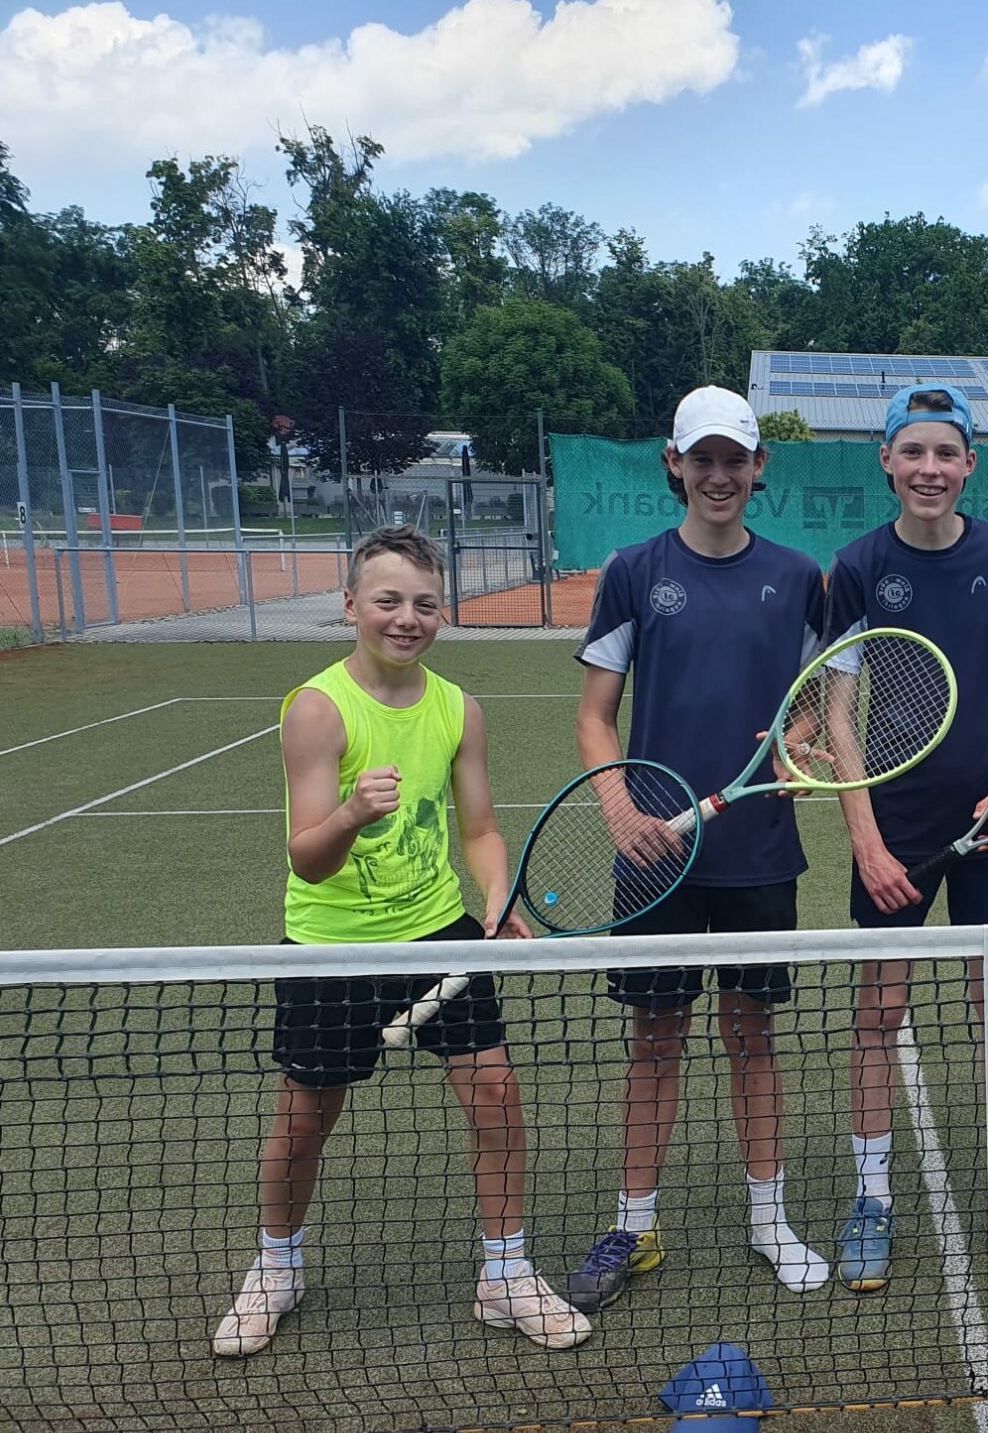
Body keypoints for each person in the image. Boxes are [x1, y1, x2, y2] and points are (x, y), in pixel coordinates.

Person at [214, 527, 590, 1357]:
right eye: (387, 601)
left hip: (438, 931)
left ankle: (505, 1275)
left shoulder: (459, 708)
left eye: (423, 603)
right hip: (333, 946)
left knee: (496, 1094)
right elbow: (307, 861)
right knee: (308, 1116)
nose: (406, 618)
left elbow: (483, 831)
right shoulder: (318, 708)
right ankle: (276, 1267)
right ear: (352, 606)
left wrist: (494, 901)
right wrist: (350, 813)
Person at [565, 386, 830, 1310]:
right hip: (655, 859)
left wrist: (799, 745)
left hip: (761, 852)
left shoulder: (801, 577)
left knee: (754, 1038)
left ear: (760, 469)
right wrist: (618, 812)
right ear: (673, 464)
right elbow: (596, 719)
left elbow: (808, 704)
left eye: (736, 459)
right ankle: (634, 1224)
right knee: (654, 1040)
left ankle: (769, 1221)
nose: (719, 476)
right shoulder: (633, 571)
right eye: (702, 458)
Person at [827, 384, 988, 1289]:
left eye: (946, 454)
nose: (930, 469)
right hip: (894, 819)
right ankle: (871, 1201)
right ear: (887, 461)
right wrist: (867, 840)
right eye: (913, 452)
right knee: (878, 1013)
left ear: (970, 464)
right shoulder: (854, 566)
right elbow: (838, 712)